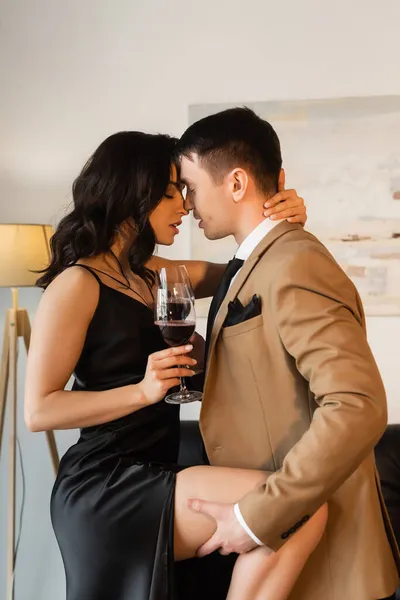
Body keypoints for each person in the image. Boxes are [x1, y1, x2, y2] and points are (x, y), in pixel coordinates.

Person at [24, 130, 326, 600]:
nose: (185, 205)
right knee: (296, 506)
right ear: (133, 195)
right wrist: (143, 392)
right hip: (105, 484)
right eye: (170, 193)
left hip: (155, 470)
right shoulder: (78, 283)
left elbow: (247, 266)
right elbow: (38, 410)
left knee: (295, 508)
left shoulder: (153, 276)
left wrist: (280, 221)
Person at [177, 107, 400, 600]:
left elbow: (357, 406)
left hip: (324, 557)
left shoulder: (294, 262)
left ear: (236, 183)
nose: (187, 202)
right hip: (285, 552)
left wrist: (256, 517)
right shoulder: (253, 264)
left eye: (190, 185)